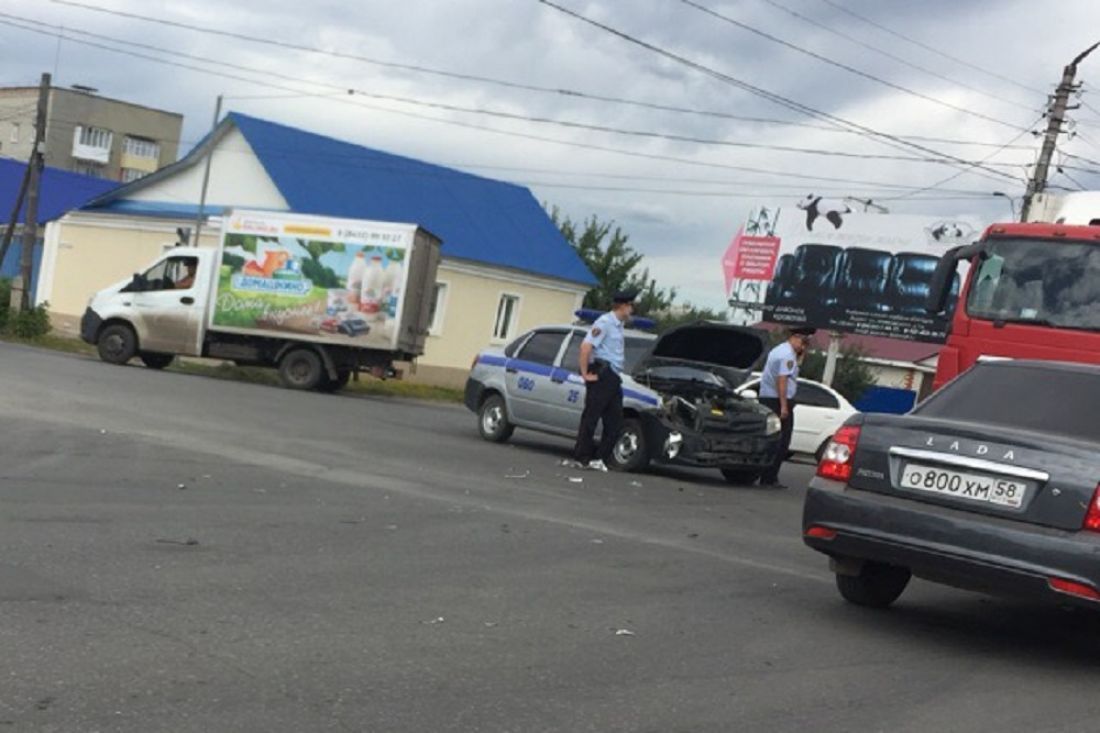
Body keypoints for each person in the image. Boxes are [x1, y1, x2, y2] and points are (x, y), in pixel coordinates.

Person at [571, 291, 636, 472]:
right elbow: (586, 347)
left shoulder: (619, 326)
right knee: (591, 416)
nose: (632, 309)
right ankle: (582, 456)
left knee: (615, 421)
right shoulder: (605, 323)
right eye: (630, 305)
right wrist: (585, 374)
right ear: (622, 306)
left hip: (613, 377)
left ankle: (599, 458)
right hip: (602, 374)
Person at [758, 325, 815, 488]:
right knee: (781, 442)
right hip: (778, 400)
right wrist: (784, 406)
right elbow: (782, 380)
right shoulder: (787, 355)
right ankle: (769, 478)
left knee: (772, 439)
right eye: (804, 343)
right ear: (797, 338)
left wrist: (801, 354)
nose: (804, 347)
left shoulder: (779, 350)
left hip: (768, 398)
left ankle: (766, 475)